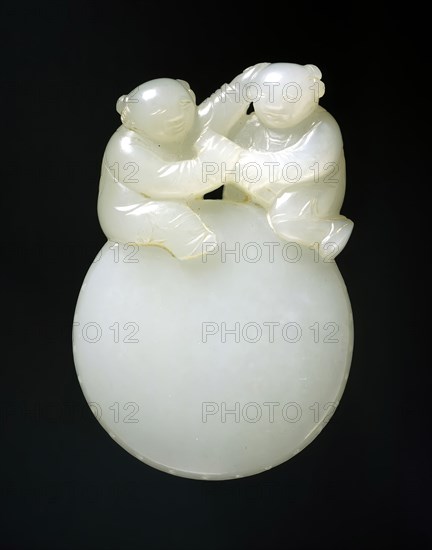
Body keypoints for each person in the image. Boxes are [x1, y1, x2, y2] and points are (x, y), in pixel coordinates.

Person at [98, 64, 268, 259]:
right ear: (133, 122)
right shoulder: (126, 149)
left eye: (184, 106)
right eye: (159, 115)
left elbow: (217, 113)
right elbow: (173, 182)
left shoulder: (185, 124)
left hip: (179, 205)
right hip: (130, 213)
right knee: (176, 222)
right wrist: (218, 160)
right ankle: (191, 274)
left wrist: (249, 82)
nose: (176, 118)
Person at [224, 62, 353, 256]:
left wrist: (255, 166)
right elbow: (230, 157)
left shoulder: (322, 126)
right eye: (267, 95)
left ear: (313, 97)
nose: (275, 106)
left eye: (290, 96)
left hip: (311, 188)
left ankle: (328, 232)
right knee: (232, 203)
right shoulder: (252, 125)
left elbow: (309, 162)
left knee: (287, 222)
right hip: (263, 189)